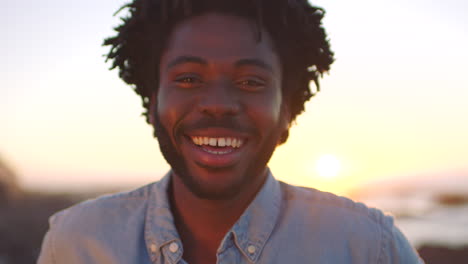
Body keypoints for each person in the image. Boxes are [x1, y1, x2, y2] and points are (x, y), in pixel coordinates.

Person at [38, 0, 424, 263]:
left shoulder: (368, 247)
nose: (218, 103)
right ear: (153, 101)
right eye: (188, 78)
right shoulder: (74, 242)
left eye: (251, 81)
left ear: (287, 111)